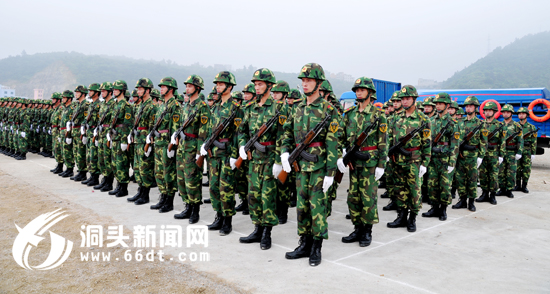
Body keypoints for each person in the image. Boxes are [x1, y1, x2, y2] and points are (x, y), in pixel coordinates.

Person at [281, 63, 340, 266]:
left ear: (318, 83)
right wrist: (284, 153)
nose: (304, 84)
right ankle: (304, 243)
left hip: (318, 168)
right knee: (302, 207)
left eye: (309, 80)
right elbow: (287, 133)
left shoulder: (328, 110)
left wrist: (331, 172)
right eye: (303, 81)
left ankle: (316, 247)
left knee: (317, 209)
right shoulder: (297, 108)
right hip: (300, 168)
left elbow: (333, 143)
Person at [238, 69, 289, 250]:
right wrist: (243, 146)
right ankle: (257, 228)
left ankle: (267, 233)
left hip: (269, 159)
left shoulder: (280, 108)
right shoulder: (250, 108)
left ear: (269, 86)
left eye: (260, 84)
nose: (257, 87)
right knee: (253, 196)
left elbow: (283, 136)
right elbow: (242, 130)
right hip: (254, 159)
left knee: (267, 197)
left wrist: (277, 161)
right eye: (255, 84)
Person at [340, 77, 387, 247]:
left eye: (362, 90)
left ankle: (367, 231)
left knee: (368, 199)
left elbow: (383, 142)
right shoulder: (349, 114)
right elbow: (342, 137)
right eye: (357, 90)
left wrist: (381, 165)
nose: (358, 92)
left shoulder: (378, 115)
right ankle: (357, 228)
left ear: (369, 92)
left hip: (370, 163)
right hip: (354, 163)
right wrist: (344, 154)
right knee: (353, 198)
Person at [200, 71, 243, 236]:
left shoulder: (236, 108)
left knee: (226, 189)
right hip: (214, 155)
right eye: (217, 84)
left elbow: (238, 134)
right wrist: (206, 145)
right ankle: (218, 216)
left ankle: (227, 221)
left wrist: (234, 154)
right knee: (214, 188)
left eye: (221, 84)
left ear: (229, 86)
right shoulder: (216, 106)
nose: (218, 86)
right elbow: (211, 130)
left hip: (226, 155)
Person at [386, 85, 431, 233]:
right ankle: (402, 216)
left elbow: (427, 143)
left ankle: (412, 218)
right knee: (399, 189)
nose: (404, 101)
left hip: (413, 160)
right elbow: (390, 139)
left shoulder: (423, 119)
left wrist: (425, 163)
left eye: (407, 99)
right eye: (403, 99)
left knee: (414, 190)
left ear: (414, 99)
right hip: (397, 160)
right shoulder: (396, 118)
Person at [172, 75, 210, 224]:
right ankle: (187, 205)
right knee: (181, 179)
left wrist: (199, 152)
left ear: (197, 88)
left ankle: (195, 210)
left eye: (190, 86)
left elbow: (203, 130)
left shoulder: (202, 106)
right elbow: (181, 124)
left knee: (192, 180)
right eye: (186, 86)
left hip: (193, 147)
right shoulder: (186, 105)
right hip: (183, 145)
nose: (187, 88)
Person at [422, 93, 459, 221]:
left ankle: (443, 209)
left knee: (444, 186)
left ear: (447, 105)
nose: (437, 106)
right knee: (432, 184)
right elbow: (426, 140)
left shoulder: (452, 123)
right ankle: (434, 207)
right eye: (436, 104)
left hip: (445, 158)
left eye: (440, 104)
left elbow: (455, 144)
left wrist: (452, 162)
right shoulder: (431, 121)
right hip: (433, 158)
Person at [149, 77, 182, 212]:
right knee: (159, 173)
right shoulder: (161, 104)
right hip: (158, 142)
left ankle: (169, 201)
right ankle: (162, 197)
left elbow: (175, 128)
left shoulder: (175, 105)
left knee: (169, 173)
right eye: (161, 87)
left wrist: (172, 146)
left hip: (166, 144)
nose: (161, 89)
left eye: (164, 87)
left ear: (171, 89)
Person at [452, 96, 487, 211]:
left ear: (475, 108)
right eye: (467, 106)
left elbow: (484, 142)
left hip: (472, 155)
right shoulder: (459, 122)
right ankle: (462, 200)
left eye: (470, 106)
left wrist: (480, 156)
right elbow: (456, 140)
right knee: (460, 179)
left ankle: (471, 202)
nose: (468, 108)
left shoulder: (480, 124)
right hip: (460, 156)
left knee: (472, 180)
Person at [127, 78, 157, 205]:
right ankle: (140, 191)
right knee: (138, 167)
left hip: (145, 140)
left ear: (147, 90)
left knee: (145, 169)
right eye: (137, 89)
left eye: (140, 89)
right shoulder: (140, 105)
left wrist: (150, 142)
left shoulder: (152, 106)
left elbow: (152, 127)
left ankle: (145, 195)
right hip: (138, 140)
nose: (138, 91)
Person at [106, 80, 133, 197]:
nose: (114, 91)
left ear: (122, 90)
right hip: (115, 136)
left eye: (116, 89)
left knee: (122, 164)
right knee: (115, 164)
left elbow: (127, 125)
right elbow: (112, 123)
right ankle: (118, 185)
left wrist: (124, 141)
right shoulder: (115, 104)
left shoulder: (126, 106)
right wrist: (110, 135)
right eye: (114, 89)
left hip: (121, 137)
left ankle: (123, 188)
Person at [477, 101, 504, 205]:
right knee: (483, 174)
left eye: (489, 111)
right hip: (483, 154)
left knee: (493, 175)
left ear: (494, 112)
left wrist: (501, 155)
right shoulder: (481, 124)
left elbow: (502, 141)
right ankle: (484, 194)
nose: (487, 112)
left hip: (494, 154)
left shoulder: (499, 125)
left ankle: (492, 195)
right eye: (486, 111)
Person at [495, 104, 524, 198]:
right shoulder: (499, 125)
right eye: (504, 112)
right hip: (501, 152)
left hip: (512, 152)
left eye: (508, 112)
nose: (506, 114)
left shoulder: (516, 125)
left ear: (511, 113)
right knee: (501, 171)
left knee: (511, 172)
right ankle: (502, 189)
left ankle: (509, 190)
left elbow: (520, 139)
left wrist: (519, 152)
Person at [94, 82, 116, 192]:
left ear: (109, 92)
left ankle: (109, 182)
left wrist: (111, 134)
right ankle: (104, 179)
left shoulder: (113, 104)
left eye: (104, 91)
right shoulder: (102, 104)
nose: (102, 93)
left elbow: (114, 121)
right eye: (101, 91)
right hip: (101, 133)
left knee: (108, 159)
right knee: (101, 158)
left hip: (108, 133)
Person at [81, 83, 102, 186]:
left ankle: (95, 177)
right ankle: (91, 175)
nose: (89, 92)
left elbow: (100, 120)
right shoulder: (91, 105)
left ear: (96, 93)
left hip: (95, 132)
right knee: (89, 155)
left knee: (94, 156)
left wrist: (97, 133)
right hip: (89, 132)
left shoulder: (99, 105)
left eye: (91, 91)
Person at [514, 107, 537, 193]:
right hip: (517, 150)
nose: (521, 115)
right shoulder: (515, 126)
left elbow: (534, 141)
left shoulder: (532, 127)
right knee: (517, 168)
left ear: (526, 115)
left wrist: (533, 153)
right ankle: (517, 185)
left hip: (527, 151)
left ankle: (524, 186)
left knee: (526, 169)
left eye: (523, 113)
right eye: (519, 114)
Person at [69, 85, 90, 181]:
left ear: (83, 94)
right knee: (76, 153)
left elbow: (86, 119)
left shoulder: (86, 105)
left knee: (81, 153)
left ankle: (83, 172)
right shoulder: (78, 105)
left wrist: (84, 133)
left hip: (81, 131)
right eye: (76, 92)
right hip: (75, 131)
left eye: (78, 92)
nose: (76, 94)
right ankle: (80, 170)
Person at [59, 90, 76, 178]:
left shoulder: (71, 109)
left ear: (69, 99)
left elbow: (70, 123)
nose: (62, 99)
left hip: (67, 132)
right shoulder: (65, 108)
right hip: (62, 132)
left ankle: (70, 169)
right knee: (64, 151)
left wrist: (69, 135)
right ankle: (67, 168)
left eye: (64, 97)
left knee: (68, 151)